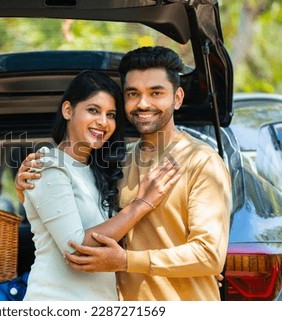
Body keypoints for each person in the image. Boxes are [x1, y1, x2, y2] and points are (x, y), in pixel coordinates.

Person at [16, 47, 231, 301]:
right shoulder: (118, 161)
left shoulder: (202, 162)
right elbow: (80, 214)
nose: (143, 103)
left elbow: (208, 256)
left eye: (156, 92)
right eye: (133, 94)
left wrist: (128, 261)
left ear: (177, 97)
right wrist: (25, 189)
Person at [21, 70, 180, 301]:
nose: (103, 122)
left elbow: (121, 236)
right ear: (68, 110)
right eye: (93, 110)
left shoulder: (99, 171)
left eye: (111, 114)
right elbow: (75, 248)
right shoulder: (49, 166)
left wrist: (186, 269)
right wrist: (141, 204)